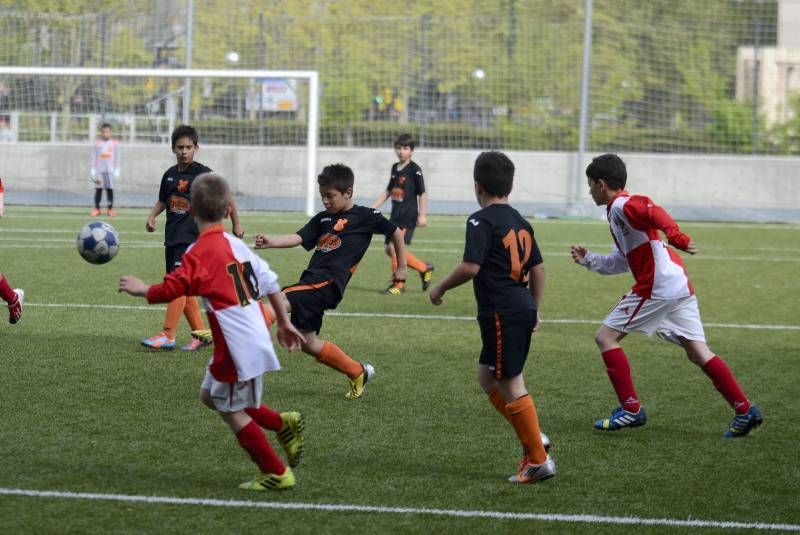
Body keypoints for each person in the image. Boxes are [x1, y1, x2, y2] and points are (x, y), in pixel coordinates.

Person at [119, 173, 306, 491]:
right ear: (227, 210)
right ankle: (281, 423)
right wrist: (285, 322)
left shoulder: (198, 252)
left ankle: (275, 471)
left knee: (229, 408)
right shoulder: (236, 244)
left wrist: (142, 290)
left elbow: (174, 287)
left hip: (239, 347)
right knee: (210, 396)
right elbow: (271, 280)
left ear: (191, 210)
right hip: (245, 338)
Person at [570, 153, 762, 438]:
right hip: (676, 283)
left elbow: (651, 208)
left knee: (605, 337)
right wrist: (590, 260)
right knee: (698, 351)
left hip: (657, 285)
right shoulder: (617, 212)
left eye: (590, 185)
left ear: (601, 184)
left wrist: (676, 234)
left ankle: (631, 408)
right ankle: (745, 410)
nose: (588, 191)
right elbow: (623, 260)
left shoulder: (622, 204)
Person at [429, 151, 555, 484]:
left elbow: (471, 266)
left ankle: (538, 460)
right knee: (488, 377)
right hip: (520, 305)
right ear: (510, 187)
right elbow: (539, 269)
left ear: (477, 186)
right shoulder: (521, 221)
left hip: (501, 310)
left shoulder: (480, 220)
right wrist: (535, 307)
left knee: (510, 382)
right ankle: (534, 438)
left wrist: (439, 288)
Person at [254, 163, 407, 399]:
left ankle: (240, 339)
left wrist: (402, 267)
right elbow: (298, 237)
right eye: (322, 195)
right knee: (307, 342)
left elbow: (395, 231)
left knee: (280, 299)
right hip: (312, 281)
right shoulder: (322, 219)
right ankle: (357, 371)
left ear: (348, 193)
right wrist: (272, 241)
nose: (325, 200)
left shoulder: (365, 216)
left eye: (330, 196)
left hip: (328, 284)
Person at [143, 124, 244, 351]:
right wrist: (152, 216)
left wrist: (237, 222)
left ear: (196, 148)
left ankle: (167, 334)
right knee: (186, 289)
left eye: (189, 147)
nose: (184, 151)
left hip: (193, 240)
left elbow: (225, 195)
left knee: (178, 284)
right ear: (173, 148)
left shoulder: (203, 173)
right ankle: (201, 335)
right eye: (180, 147)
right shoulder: (169, 175)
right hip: (173, 238)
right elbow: (164, 200)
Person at [371, 133, 434, 295]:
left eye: (405, 148)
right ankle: (423, 268)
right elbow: (388, 191)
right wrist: (373, 207)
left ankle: (398, 284)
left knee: (394, 247)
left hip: (408, 216)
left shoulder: (415, 170)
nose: (401, 151)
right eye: (398, 148)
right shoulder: (394, 168)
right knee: (388, 248)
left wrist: (422, 215)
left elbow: (423, 193)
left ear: (411, 151)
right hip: (395, 215)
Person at [90, 123, 120, 217]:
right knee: (98, 189)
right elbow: (93, 156)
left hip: (110, 171)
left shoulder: (114, 143)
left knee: (109, 189)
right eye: (103, 132)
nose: (105, 134)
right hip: (99, 171)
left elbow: (117, 157)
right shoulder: (97, 143)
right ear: (101, 132)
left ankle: (110, 209)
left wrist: (117, 169)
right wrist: (93, 168)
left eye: (107, 132)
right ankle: (97, 208)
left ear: (110, 133)